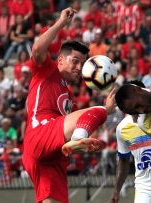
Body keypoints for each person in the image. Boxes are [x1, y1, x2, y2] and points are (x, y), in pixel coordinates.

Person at [22, 7, 116, 203]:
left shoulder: (69, 97)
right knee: (98, 110)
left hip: (54, 156)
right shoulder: (47, 70)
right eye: (75, 61)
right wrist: (61, 23)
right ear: (61, 60)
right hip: (41, 134)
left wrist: (84, 145)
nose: (79, 68)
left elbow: (72, 130)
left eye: (82, 64)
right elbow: (38, 50)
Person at [111, 81, 151, 203]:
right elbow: (123, 160)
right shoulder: (122, 128)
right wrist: (116, 190)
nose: (140, 109)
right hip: (145, 189)